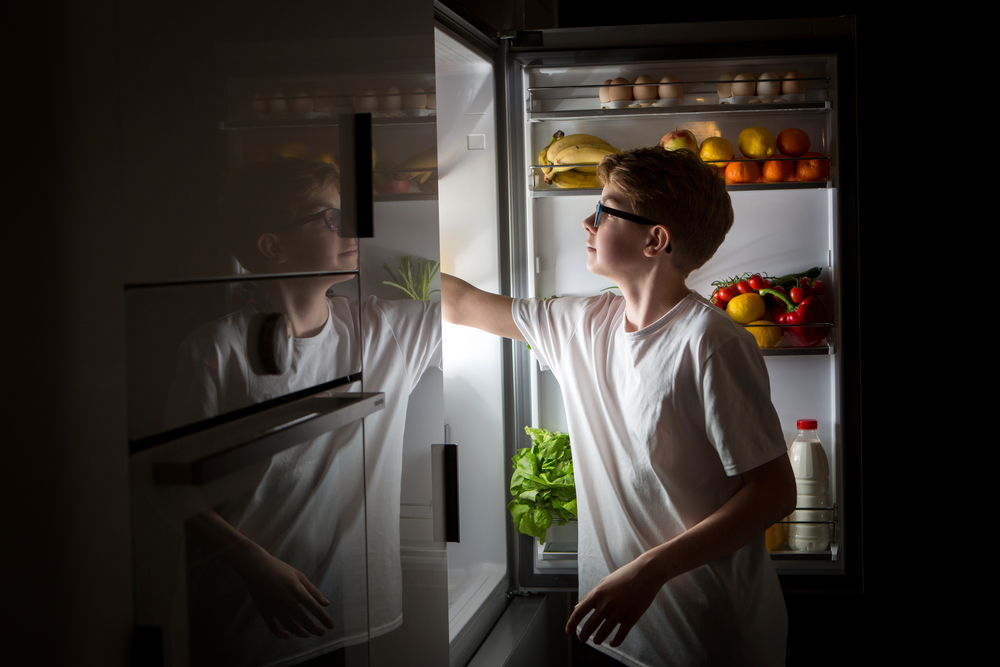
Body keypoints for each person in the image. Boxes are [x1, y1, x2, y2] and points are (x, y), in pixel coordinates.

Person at [442, 147, 796, 667]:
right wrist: (373, 254)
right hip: (623, 633)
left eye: (606, 209)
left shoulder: (711, 342)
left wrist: (649, 571)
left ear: (655, 239)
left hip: (709, 635)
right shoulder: (582, 323)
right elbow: (461, 303)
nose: (589, 220)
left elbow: (774, 493)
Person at [165, 157, 442, 667]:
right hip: (247, 617)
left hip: (340, 609)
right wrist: (251, 562)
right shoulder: (217, 348)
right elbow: (171, 485)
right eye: (330, 218)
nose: (350, 229)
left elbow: (503, 311)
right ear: (274, 246)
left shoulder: (384, 332)